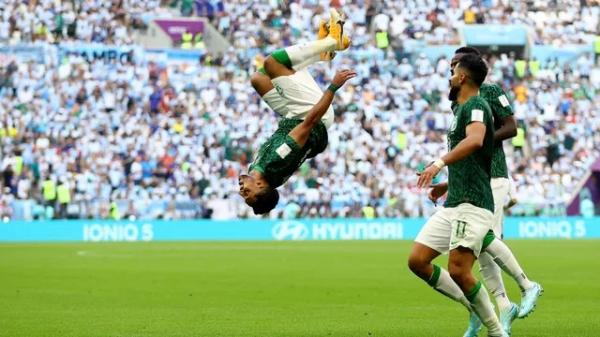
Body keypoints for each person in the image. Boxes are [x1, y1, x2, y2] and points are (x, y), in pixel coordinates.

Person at [408, 53, 507, 337]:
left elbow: (476, 140)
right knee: (417, 260)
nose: (450, 77)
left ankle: (496, 331)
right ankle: (475, 307)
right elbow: (471, 159)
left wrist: (439, 163)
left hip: (473, 203)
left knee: (459, 270)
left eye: (453, 72)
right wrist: (447, 184)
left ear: (462, 77)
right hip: (455, 201)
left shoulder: (476, 105)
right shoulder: (460, 108)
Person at [451, 47, 543, 336]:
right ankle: (500, 306)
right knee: (476, 248)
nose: (451, 71)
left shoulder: (489, 91)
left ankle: (523, 288)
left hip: (493, 174)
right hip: (471, 180)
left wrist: (483, 140)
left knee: (482, 241)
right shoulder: (458, 101)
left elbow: (512, 127)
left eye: (455, 65)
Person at [239, 9, 354, 215]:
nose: (241, 192)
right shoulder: (276, 162)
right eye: (247, 194)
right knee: (273, 63)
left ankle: (322, 54)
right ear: (261, 187)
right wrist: (333, 87)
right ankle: (332, 42)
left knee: (259, 79)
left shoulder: (259, 172)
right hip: (312, 115)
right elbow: (309, 124)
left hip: (293, 117)